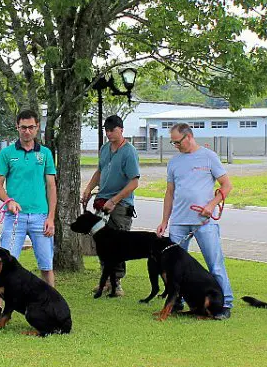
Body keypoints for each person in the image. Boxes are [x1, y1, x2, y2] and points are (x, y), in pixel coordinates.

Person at [155, 123, 233, 319]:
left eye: (177, 141)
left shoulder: (209, 157)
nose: (176, 145)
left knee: (214, 264)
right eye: (173, 142)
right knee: (173, 266)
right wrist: (165, 220)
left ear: (188, 136)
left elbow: (227, 185)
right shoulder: (174, 162)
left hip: (204, 222)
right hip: (179, 221)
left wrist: (212, 205)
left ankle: (225, 304)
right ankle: (177, 302)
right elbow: (170, 192)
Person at [0, 109, 57, 324]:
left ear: (37, 128)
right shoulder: (7, 153)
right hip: (14, 218)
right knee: (2, 263)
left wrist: (51, 218)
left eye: (31, 127)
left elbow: (51, 187)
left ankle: (53, 303)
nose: (27, 131)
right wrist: (8, 201)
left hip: (40, 216)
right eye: (23, 127)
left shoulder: (44, 153)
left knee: (46, 264)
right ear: (17, 127)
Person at [80, 115, 141, 296]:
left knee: (118, 243)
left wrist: (114, 200)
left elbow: (134, 182)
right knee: (102, 242)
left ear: (121, 129)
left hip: (120, 205)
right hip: (102, 200)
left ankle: (117, 282)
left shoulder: (129, 151)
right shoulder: (105, 148)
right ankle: (106, 280)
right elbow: (100, 170)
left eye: (112, 130)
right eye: (106, 130)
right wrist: (89, 189)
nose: (109, 134)